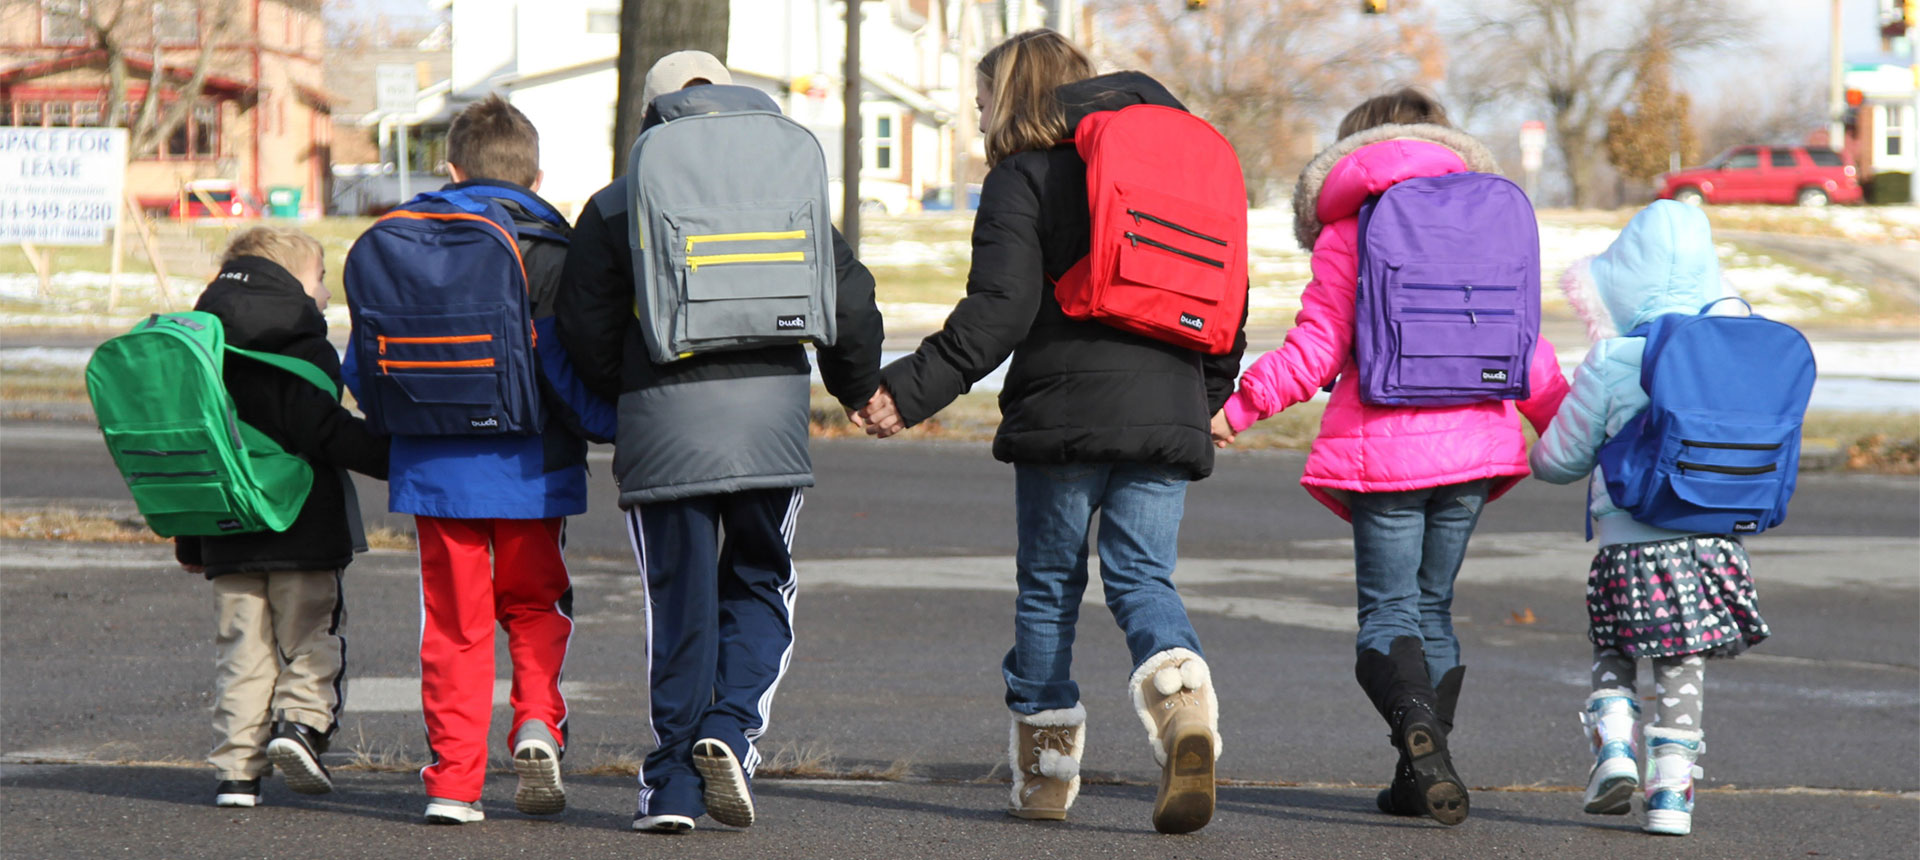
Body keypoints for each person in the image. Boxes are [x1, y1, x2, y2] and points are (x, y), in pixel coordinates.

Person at [860, 29, 1245, 834]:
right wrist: (1206, 399)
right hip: (1167, 408)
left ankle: (1045, 775)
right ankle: (1182, 703)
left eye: (980, 103)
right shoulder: (1178, 164)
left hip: (1063, 415)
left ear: (1009, 98)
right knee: (1144, 579)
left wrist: (908, 391)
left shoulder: (1023, 176)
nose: (977, 119)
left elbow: (1000, 311)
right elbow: (1226, 298)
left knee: (1049, 588)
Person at [1210, 88, 1568, 826]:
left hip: (1387, 451)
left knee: (1388, 613)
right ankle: (1420, 773)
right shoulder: (1489, 222)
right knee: (1433, 608)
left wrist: (1238, 407)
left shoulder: (1353, 226)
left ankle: (1416, 730)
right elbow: (1525, 346)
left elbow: (1316, 350)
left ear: (1355, 150)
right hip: (1479, 448)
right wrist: (1574, 431)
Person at [556, 50, 886, 833]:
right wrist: (855, 387)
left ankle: (671, 786)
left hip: (664, 425)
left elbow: (582, 328)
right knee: (761, 581)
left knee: (678, 602)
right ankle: (731, 731)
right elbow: (851, 300)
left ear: (650, 116)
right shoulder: (785, 183)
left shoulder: (617, 201)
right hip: (769, 422)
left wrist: (634, 392)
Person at [342, 94, 609, 824]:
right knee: (535, 602)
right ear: (536, 176)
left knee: (454, 625)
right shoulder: (549, 248)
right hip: (532, 466)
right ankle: (537, 722)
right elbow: (564, 365)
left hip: (433, 470)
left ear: (452, 169)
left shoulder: (400, 239)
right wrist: (611, 426)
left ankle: (454, 784)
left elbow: (361, 367)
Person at [1529, 200, 1771, 837]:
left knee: (1614, 645)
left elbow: (1560, 460)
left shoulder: (1612, 360)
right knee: (1681, 665)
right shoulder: (1729, 361)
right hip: (1711, 542)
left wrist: (1538, 452)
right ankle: (1671, 792)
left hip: (1626, 546)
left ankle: (1613, 747)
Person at [176, 226, 389, 808]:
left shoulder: (202, 344)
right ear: (291, 281)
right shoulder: (298, 344)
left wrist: (193, 541)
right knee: (309, 637)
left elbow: (199, 446)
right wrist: (395, 457)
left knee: (242, 652)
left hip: (225, 529)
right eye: (319, 279)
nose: (326, 293)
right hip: (302, 525)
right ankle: (300, 725)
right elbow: (321, 429)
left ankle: (236, 773)